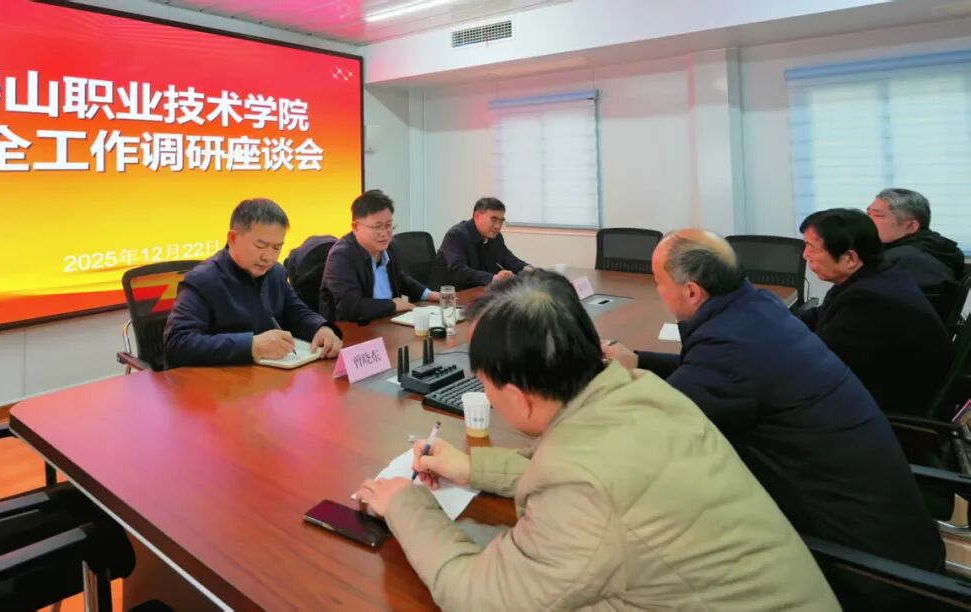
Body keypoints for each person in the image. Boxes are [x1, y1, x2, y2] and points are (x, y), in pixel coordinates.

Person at [357, 270, 838, 611]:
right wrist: (469, 467)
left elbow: (478, 597)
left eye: (484, 383)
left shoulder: (581, 487)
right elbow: (592, 475)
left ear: (519, 398)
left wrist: (405, 504)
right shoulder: (640, 391)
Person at [603, 229, 944, 610]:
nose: (658, 290)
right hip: (888, 528)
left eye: (659, 282)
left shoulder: (729, 349)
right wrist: (640, 361)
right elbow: (705, 373)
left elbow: (654, 431)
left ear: (693, 292)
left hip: (858, 565)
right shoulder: (756, 309)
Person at [799, 208, 952, 416]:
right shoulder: (873, 275)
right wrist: (774, 323)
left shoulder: (869, 303)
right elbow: (819, 316)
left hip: (884, 413)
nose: (805, 255)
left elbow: (821, 368)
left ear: (849, 258)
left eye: (812, 248)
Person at [163, 198, 343, 368]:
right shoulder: (202, 280)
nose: (268, 257)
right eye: (260, 246)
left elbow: (296, 312)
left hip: (268, 377)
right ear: (233, 238)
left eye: (276, 248)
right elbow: (178, 344)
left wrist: (320, 328)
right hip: (220, 381)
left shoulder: (276, 272)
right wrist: (251, 345)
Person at [319, 190, 439, 322]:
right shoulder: (341, 256)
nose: (384, 233)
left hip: (388, 321)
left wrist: (428, 294)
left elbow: (400, 278)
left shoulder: (391, 247)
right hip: (354, 328)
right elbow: (351, 307)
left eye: (388, 225)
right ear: (355, 227)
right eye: (377, 227)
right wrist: (393, 305)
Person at [868, 188, 964, 320]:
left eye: (877, 215)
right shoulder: (937, 248)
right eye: (868, 214)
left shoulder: (905, 259)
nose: (867, 221)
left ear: (911, 226)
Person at [428, 197, 532, 290]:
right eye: (494, 220)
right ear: (477, 216)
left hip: (477, 291)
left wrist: (529, 270)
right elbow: (459, 270)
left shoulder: (496, 237)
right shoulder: (456, 235)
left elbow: (508, 258)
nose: (498, 226)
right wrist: (494, 278)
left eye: (501, 221)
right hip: (449, 296)